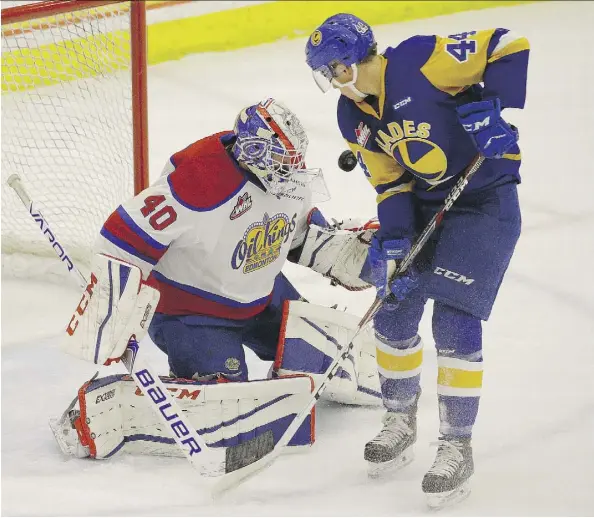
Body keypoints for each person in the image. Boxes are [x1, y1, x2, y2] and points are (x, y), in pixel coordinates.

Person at [51, 98, 382, 462]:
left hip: (263, 295)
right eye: (283, 162)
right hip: (192, 316)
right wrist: (113, 303)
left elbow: (298, 235)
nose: (293, 171)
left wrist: (349, 254)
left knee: (327, 356)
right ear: (253, 151)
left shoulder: (286, 176)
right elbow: (122, 235)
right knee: (227, 411)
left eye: (294, 160)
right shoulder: (198, 180)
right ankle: (107, 413)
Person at [305, 14, 529, 507]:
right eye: (327, 75)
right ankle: (399, 419)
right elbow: (391, 183)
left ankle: (455, 445)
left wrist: (494, 107)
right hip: (428, 206)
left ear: (363, 55)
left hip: (484, 202)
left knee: (454, 320)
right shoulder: (353, 119)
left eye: (339, 68)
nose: (336, 82)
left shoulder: (420, 59)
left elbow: (510, 43)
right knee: (393, 307)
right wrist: (395, 240)